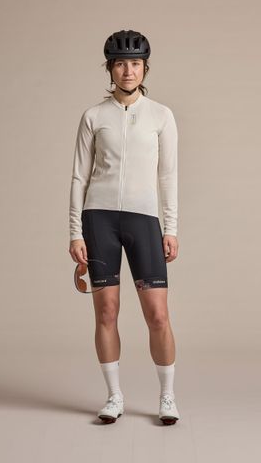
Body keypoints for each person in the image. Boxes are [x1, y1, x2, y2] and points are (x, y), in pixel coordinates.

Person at [68, 29, 180, 425]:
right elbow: (79, 177)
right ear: (110, 69)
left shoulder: (161, 116)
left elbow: (168, 176)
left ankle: (167, 397)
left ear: (145, 68)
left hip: (143, 220)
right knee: (106, 312)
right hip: (99, 220)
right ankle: (114, 396)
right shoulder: (93, 116)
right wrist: (75, 232)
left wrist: (171, 227)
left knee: (158, 315)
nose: (128, 71)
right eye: (120, 64)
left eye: (135, 63)